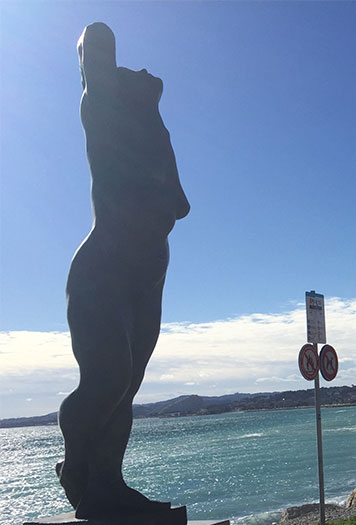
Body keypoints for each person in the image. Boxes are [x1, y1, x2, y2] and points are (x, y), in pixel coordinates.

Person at [56, 23, 189, 519]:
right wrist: (103, 49)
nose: (146, 71)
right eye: (130, 71)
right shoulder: (104, 115)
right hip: (103, 271)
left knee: (127, 386)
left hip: (148, 276)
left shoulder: (153, 135)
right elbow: (93, 45)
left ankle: (107, 482)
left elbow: (179, 207)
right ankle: (76, 466)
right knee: (109, 377)